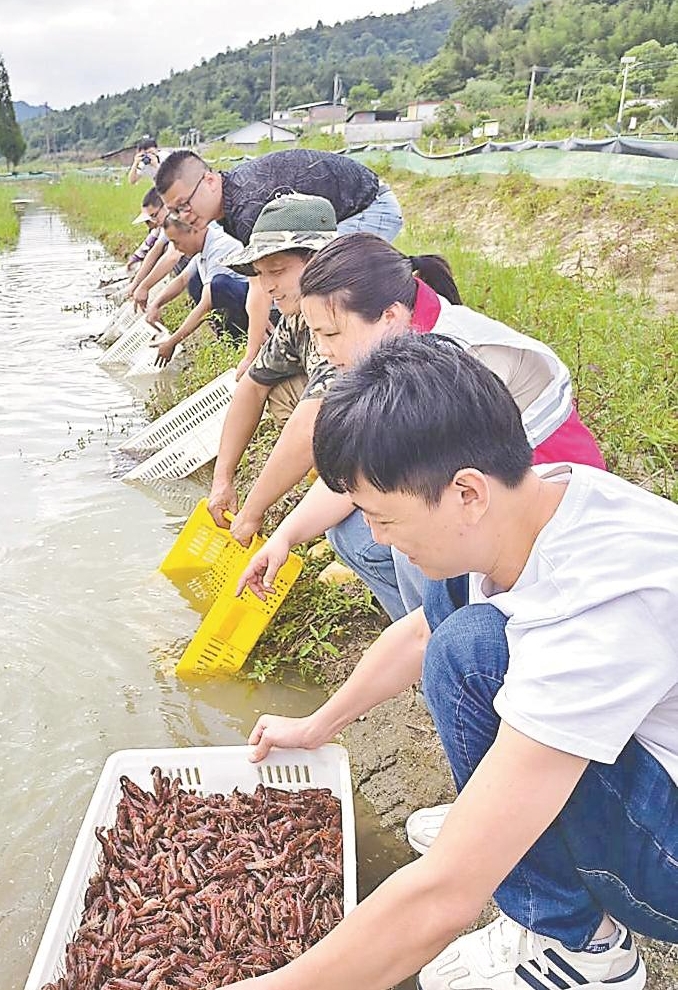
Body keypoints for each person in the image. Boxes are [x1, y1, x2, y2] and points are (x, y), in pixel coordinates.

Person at [221, 334, 675, 990]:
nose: (373, 538)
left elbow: (444, 898)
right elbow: (420, 639)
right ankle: (523, 857)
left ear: (466, 493)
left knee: (474, 668)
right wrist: (317, 727)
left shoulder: (594, 604)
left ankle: (586, 954)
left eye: (382, 518)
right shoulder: (530, 502)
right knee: (462, 641)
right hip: (651, 757)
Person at [240, 233, 605, 620]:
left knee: (406, 534)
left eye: (332, 334)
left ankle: (445, 635)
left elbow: (381, 466)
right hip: (485, 492)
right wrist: (285, 537)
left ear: (390, 316)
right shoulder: (408, 344)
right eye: (316, 336)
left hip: (553, 518)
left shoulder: (445, 365)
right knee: (358, 532)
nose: (325, 352)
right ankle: (428, 631)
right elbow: (364, 465)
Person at [154, 149, 404, 347]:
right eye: (175, 212)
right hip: (343, 209)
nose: (183, 216)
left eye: (183, 205)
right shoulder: (231, 199)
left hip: (370, 206)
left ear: (209, 180)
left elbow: (261, 289)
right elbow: (259, 281)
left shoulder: (248, 206)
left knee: (322, 279)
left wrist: (252, 355)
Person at [206, 194, 339, 533]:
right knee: (276, 387)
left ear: (319, 260)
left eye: (277, 271)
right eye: (261, 274)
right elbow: (252, 385)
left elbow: (309, 424)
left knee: (349, 538)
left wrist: (252, 511)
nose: (267, 287)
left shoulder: (347, 317)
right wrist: (223, 478)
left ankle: (343, 489)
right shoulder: (299, 315)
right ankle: (328, 473)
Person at [144, 216, 254, 367]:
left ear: (193, 231)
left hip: (256, 307)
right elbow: (182, 280)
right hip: (239, 301)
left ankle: (240, 339)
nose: (176, 248)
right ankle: (226, 336)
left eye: (176, 241)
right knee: (194, 281)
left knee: (218, 285)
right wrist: (156, 304)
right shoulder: (202, 250)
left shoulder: (220, 247)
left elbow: (205, 306)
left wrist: (172, 342)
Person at [125, 187, 168, 278]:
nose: (149, 223)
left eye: (153, 217)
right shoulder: (157, 230)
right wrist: (134, 258)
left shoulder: (169, 225)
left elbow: (157, 251)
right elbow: (147, 246)